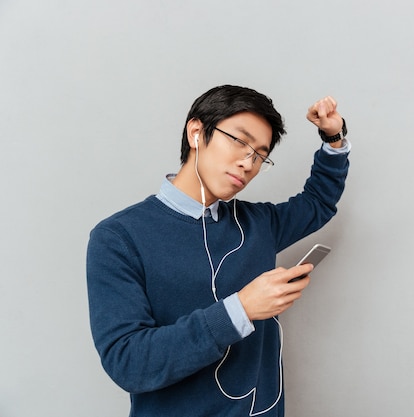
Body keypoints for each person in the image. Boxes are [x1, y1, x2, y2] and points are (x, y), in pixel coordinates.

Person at [86, 84, 350, 417]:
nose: (248, 162)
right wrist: (241, 309)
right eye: (239, 142)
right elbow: (129, 363)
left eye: (260, 155)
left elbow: (317, 202)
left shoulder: (257, 224)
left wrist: (334, 138)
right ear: (196, 132)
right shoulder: (119, 237)